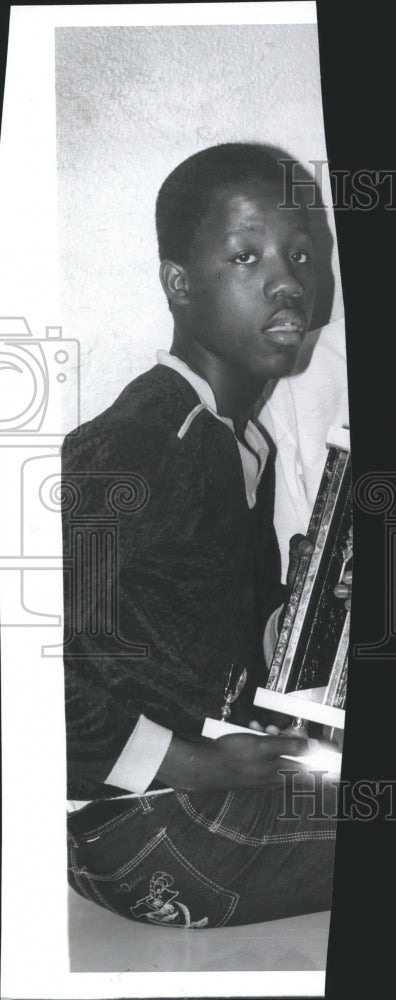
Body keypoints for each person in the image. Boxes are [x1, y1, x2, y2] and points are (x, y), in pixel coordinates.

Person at [64, 143, 345, 929]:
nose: (287, 280)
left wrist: (304, 618)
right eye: (246, 256)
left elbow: (191, 643)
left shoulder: (229, 442)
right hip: (151, 828)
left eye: (300, 254)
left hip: (159, 824)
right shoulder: (149, 438)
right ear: (178, 286)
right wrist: (200, 761)